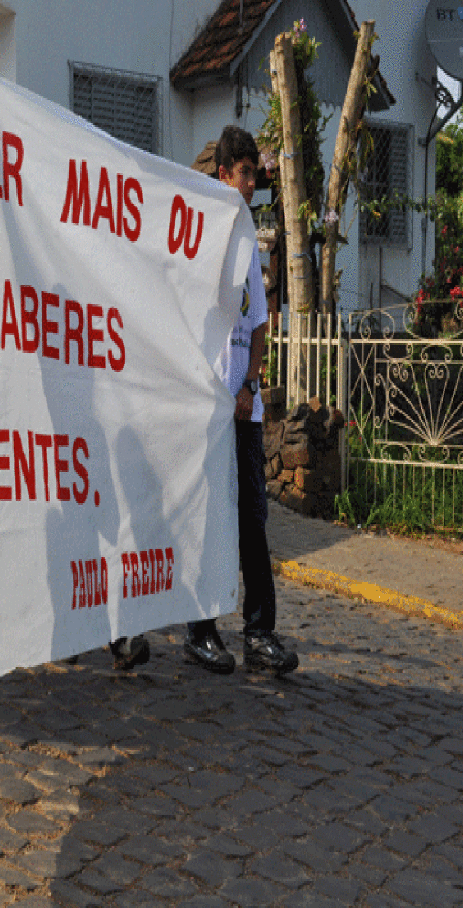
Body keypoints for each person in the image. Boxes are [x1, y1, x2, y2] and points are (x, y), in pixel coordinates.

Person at [183, 125, 299, 677]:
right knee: (206, 518)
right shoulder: (200, 237)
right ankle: (201, 630)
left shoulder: (250, 242)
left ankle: (259, 631)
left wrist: (251, 384)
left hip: (243, 409)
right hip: (206, 408)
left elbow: (258, 323)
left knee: (253, 518)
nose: (251, 184)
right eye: (243, 173)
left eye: (255, 174)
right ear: (223, 174)